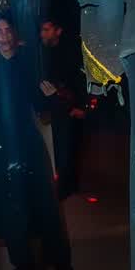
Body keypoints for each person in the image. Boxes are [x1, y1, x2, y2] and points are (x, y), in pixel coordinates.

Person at [0, 18, 74, 270]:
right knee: (10, 204)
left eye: (8, 30)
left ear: (14, 34)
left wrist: (52, 97)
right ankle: (22, 262)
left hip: (27, 140)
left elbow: (42, 107)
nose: (4, 36)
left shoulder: (30, 66)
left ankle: (59, 260)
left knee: (44, 201)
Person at [37, 18, 87, 198]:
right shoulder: (44, 54)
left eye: (47, 29)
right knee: (59, 148)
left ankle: (66, 187)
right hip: (55, 108)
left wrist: (80, 106)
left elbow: (78, 80)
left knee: (66, 149)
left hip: (67, 108)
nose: (43, 34)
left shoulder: (69, 53)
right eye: (42, 30)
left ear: (57, 31)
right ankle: (65, 186)